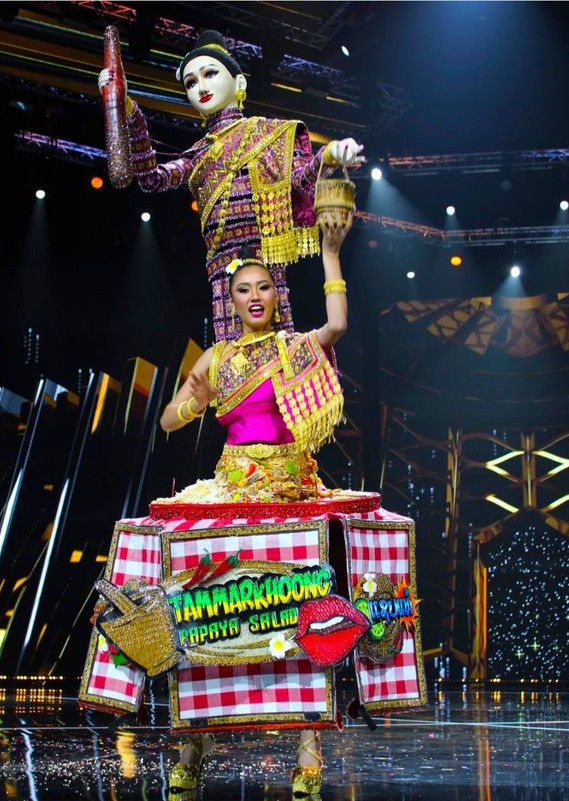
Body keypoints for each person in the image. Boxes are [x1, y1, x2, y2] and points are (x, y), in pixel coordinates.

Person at [154, 206, 353, 797]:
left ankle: (307, 745)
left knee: (300, 613)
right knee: (206, 608)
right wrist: (194, 399)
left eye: (264, 286)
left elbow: (337, 326)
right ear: (232, 301)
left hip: (290, 492)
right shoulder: (217, 356)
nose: (255, 296)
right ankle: (195, 741)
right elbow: (167, 420)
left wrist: (332, 253)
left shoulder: (294, 347)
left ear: (276, 294)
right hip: (234, 490)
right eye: (243, 290)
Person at [98, 28, 364, 343]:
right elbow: (151, 179)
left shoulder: (268, 134)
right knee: (229, 360)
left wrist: (329, 155)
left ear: (239, 83)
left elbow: (300, 179)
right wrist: (127, 109)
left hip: (266, 265)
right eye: (191, 83)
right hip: (220, 271)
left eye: (210, 74)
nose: (201, 87)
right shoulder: (199, 153)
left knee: (277, 352)